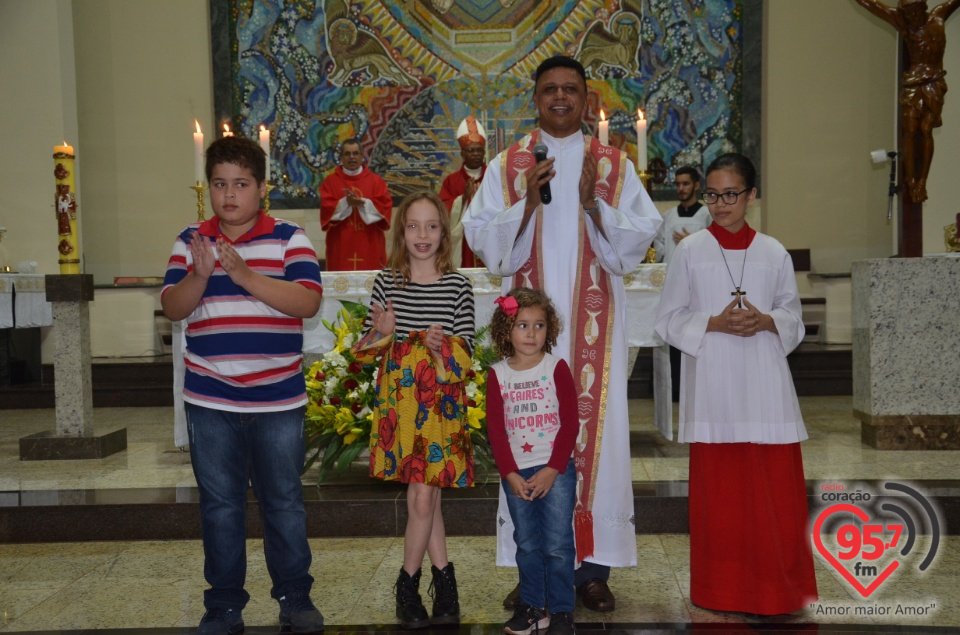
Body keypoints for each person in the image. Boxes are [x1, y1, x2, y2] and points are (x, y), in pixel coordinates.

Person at [463, 55, 662, 613]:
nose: (559, 98)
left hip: (592, 327)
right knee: (528, 434)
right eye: (549, 89)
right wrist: (526, 200)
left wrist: (594, 205)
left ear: (586, 100)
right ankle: (533, 566)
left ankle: (592, 569)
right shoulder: (508, 166)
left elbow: (639, 236)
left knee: (598, 439)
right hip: (530, 339)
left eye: (570, 89)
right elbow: (484, 240)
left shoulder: (614, 165)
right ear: (536, 97)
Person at [161, 136, 325, 635]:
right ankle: (224, 604)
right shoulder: (191, 240)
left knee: (283, 503)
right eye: (219, 184)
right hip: (211, 397)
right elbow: (173, 307)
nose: (229, 195)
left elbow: (307, 302)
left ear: (261, 189)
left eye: (240, 185)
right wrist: (202, 276)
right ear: (209, 187)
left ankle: (295, 596)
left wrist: (246, 274)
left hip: (277, 397)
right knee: (221, 506)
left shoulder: (290, 237)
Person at [653, 153, 818, 615]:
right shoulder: (690, 251)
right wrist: (715, 324)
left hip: (765, 387)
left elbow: (793, 317)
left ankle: (780, 590)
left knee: (773, 497)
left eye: (730, 194)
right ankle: (720, 590)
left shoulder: (773, 252)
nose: (721, 204)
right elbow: (668, 320)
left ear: (751, 196)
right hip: (714, 388)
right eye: (713, 194)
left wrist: (768, 320)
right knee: (722, 502)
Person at [351, 190, 476, 629]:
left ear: (444, 232)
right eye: (413, 226)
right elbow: (365, 350)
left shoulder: (459, 285)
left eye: (431, 226)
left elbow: (469, 354)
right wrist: (383, 333)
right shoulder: (388, 282)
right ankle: (444, 585)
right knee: (428, 495)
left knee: (425, 494)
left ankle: (408, 584)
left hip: (440, 403)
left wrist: (444, 353)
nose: (422, 235)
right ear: (401, 233)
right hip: (402, 404)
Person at [486, 288, 579, 635]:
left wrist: (553, 468)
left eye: (539, 325)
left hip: (556, 470)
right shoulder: (498, 374)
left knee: (556, 544)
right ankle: (533, 607)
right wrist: (509, 473)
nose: (531, 333)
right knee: (526, 543)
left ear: (549, 329)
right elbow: (496, 430)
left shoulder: (556, 367)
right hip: (517, 473)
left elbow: (570, 423)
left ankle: (562, 610)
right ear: (506, 330)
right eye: (522, 325)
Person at [855, 0, 960, 203]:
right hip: (913, 84)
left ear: (923, 9)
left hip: (934, 83)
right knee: (910, 130)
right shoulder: (902, 23)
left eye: (915, 12)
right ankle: (911, 180)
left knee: (926, 128)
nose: (912, 17)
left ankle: (922, 181)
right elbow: (872, 5)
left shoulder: (938, 16)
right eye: (908, 13)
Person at [652, 166, 712, 403]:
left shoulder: (706, 216)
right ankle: (677, 388)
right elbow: (659, 250)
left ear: (697, 185)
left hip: (700, 285)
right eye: (677, 184)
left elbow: (716, 248)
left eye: (685, 184)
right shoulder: (667, 217)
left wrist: (692, 243)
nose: (680, 188)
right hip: (673, 284)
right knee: (675, 334)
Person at [318, 138, 393, 270]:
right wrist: (345, 203)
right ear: (341, 157)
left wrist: (363, 203)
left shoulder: (376, 181)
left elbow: (385, 206)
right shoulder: (330, 182)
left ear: (362, 156)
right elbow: (326, 208)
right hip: (341, 245)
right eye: (347, 154)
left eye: (355, 153)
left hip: (369, 244)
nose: (352, 157)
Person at [440, 116, 487, 268]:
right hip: (463, 243)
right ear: (462, 153)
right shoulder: (451, 181)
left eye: (479, 150)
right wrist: (463, 198)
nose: (475, 154)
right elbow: (442, 211)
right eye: (470, 150)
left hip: (488, 238)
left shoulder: (493, 176)